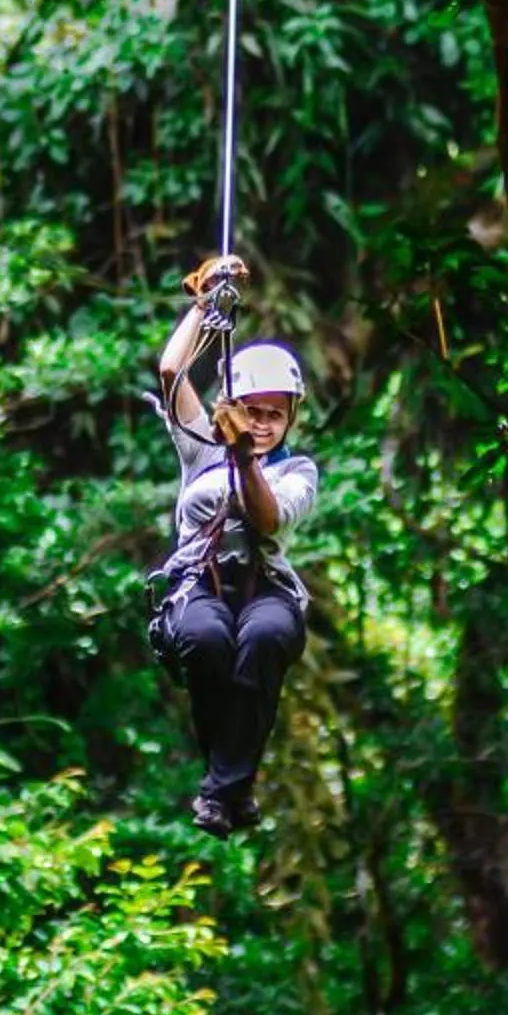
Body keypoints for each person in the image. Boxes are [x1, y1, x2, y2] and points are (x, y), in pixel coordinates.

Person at [148, 255, 319, 836]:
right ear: (235, 407)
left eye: (276, 414)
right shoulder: (202, 445)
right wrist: (205, 305)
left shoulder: (297, 471)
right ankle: (233, 788)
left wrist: (246, 454)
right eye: (254, 411)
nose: (264, 423)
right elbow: (172, 374)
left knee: (267, 636)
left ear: (290, 417)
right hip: (200, 581)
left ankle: (220, 794)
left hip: (265, 586)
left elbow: (267, 521)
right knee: (204, 638)